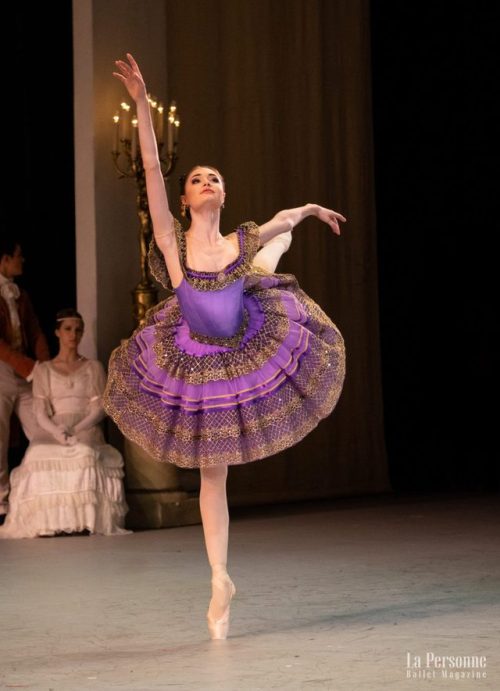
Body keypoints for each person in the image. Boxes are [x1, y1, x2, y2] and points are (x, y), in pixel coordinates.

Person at [104, 54, 346, 639]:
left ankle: (220, 577)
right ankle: (220, 577)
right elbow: (152, 168)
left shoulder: (240, 236)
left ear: (224, 191)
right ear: (185, 200)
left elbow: (282, 216)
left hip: (246, 332)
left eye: (214, 177)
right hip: (197, 354)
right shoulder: (172, 242)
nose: (206, 182)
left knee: (267, 254)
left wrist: (311, 210)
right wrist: (140, 103)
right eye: (197, 179)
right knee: (214, 477)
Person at [0, 309, 130, 539]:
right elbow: (39, 411)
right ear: (57, 333)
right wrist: (57, 431)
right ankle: (45, 522)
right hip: (54, 426)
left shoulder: (93, 367)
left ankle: (85, 520)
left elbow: (100, 408)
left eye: (78, 330)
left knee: (84, 452)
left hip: (84, 424)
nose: (73, 335)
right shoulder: (44, 370)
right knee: (37, 453)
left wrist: (77, 428)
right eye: (68, 329)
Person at [0, 236, 50, 522]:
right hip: (4, 370)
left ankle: (38, 494)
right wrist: (27, 366)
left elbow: (34, 331)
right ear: (5, 259)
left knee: (41, 428)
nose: (23, 260)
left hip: (25, 371)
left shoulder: (20, 294)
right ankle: (1, 504)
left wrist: (45, 365)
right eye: (18, 255)